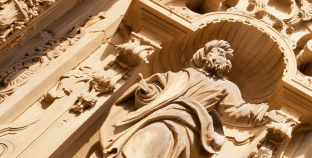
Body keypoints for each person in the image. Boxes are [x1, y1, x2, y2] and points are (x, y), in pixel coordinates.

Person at [102, 40, 279, 158]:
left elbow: (235, 111)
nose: (222, 57)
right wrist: (146, 92)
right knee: (144, 142)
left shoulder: (227, 87)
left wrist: (263, 114)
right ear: (204, 55)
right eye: (218, 52)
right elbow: (158, 93)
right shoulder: (181, 75)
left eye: (225, 56)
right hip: (161, 117)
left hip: (190, 129)